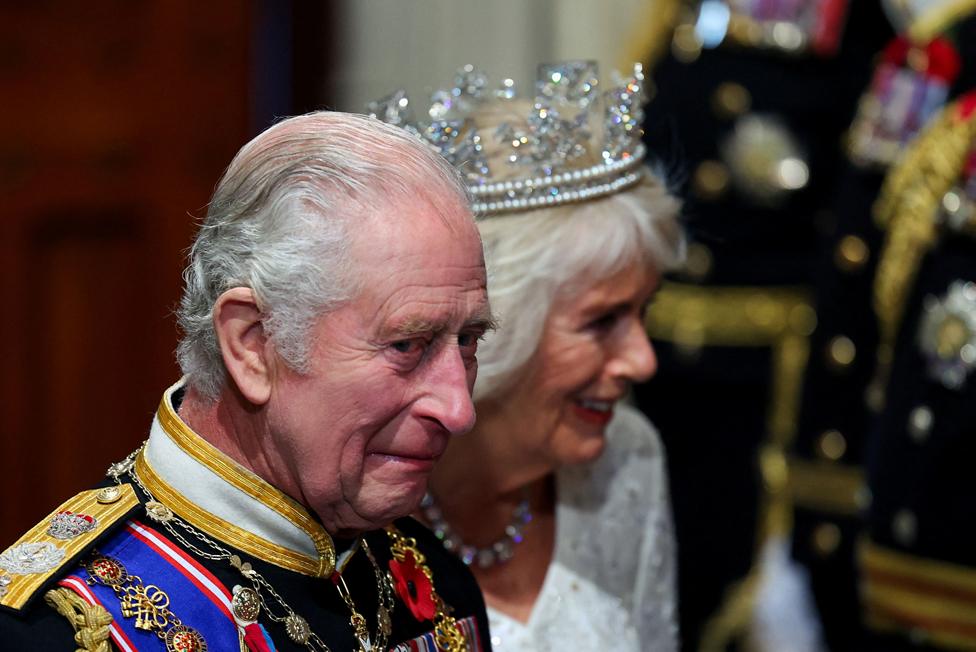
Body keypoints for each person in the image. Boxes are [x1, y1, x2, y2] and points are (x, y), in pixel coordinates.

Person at [0, 111, 495, 651]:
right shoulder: (60, 628)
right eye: (406, 345)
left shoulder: (431, 581)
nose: (458, 409)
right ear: (253, 344)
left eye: (467, 340)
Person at [371, 61, 684, 650]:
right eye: (603, 321)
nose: (643, 362)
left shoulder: (627, 462)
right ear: (491, 327)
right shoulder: (358, 495)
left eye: (643, 313)